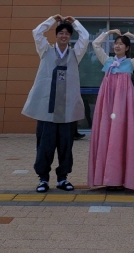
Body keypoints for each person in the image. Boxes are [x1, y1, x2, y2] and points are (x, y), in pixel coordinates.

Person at [22, 14, 89, 193]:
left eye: (67, 33)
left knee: (66, 146)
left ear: (70, 37)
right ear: (56, 35)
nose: (64, 35)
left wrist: (75, 22)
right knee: (45, 145)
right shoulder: (45, 50)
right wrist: (52, 20)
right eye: (61, 33)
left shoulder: (75, 53)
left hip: (66, 110)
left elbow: (85, 37)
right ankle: (43, 179)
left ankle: (62, 178)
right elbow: (37, 32)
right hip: (47, 109)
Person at [88, 29, 134, 191]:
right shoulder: (107, 60)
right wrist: (107, 33)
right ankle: (107, 178)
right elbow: (96, 44)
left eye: (121, 44)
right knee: (106, 134)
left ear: (127, 48)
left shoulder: (131, 63)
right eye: (116, 43)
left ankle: (121, 179)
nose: (117, 46)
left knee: (120, 135)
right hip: (107, 103)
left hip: (122, 105)